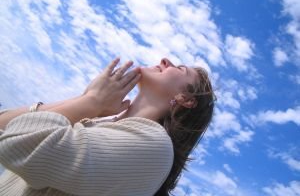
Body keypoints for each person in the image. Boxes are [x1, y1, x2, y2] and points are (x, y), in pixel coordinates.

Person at [0, 57, 216, 196]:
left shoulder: (155, 147)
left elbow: (18, 146)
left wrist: (90, 102)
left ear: (187, 99)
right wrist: (87, 101)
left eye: (180, 68)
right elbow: (4, 124)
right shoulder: (99, 122)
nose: (165, 59)